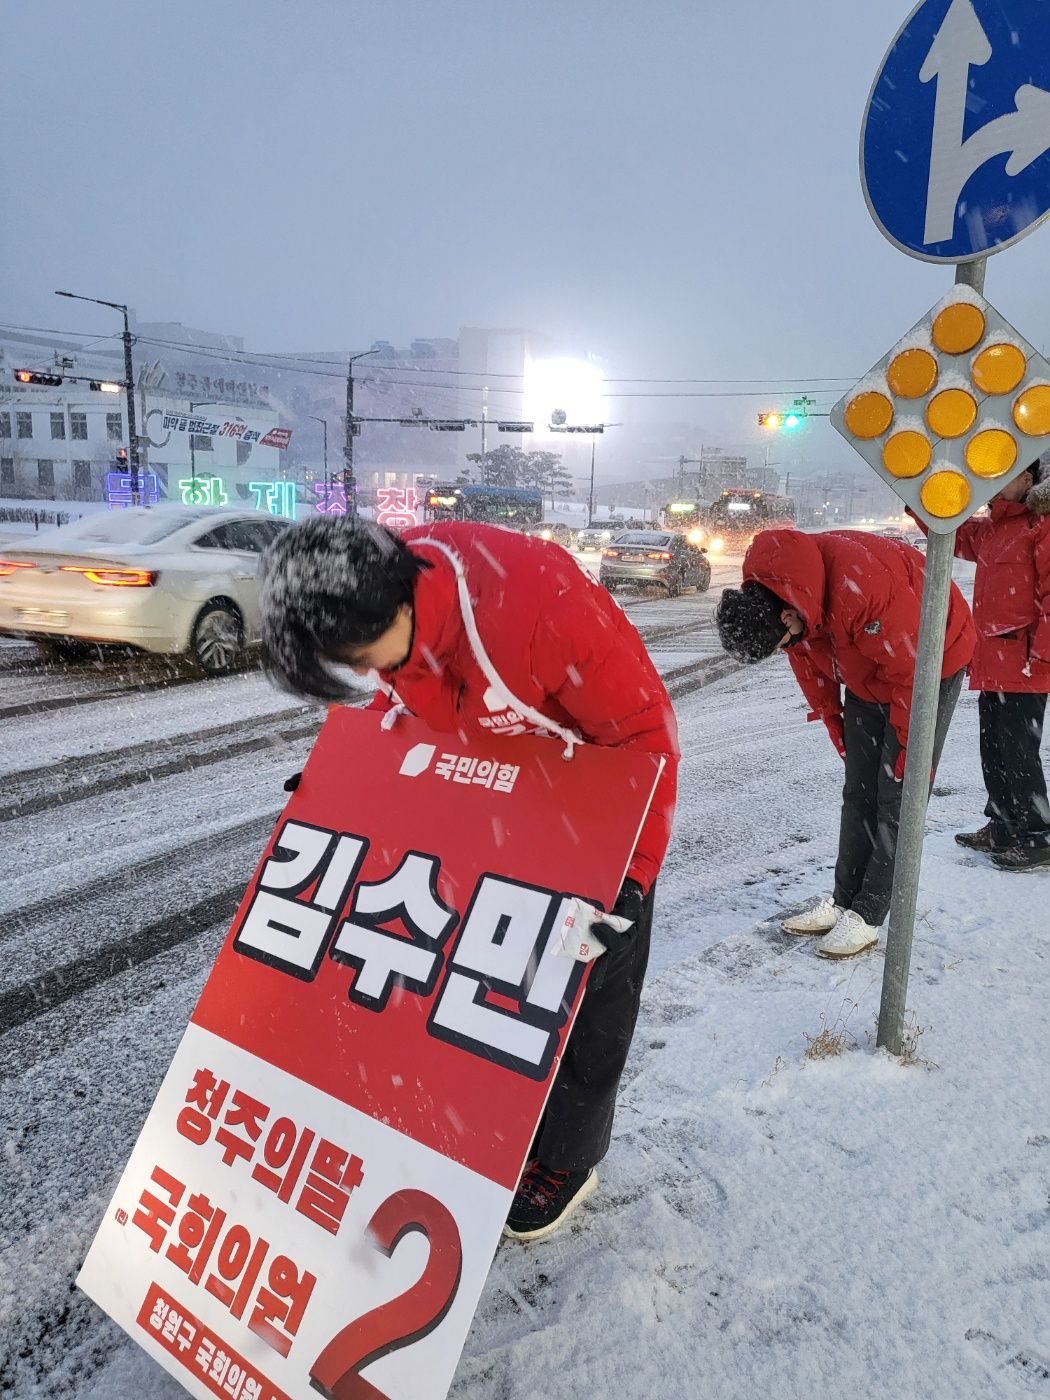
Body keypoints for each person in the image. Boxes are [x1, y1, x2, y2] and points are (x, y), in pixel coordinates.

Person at [260, 514, 679, 1241]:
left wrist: (630, 879)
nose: (361, 671)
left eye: (359, 654)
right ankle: (482, 1117)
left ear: (399, 606)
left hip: (588, 784)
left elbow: (646, 737)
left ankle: (566, 1157)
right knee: (461, 953)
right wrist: (344, 784)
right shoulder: (387, 599)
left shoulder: (541, 613)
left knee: (589, 967)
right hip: (481, 770)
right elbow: (399, 699)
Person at [716, 528, 975, 957]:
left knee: (899, 795)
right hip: (868, 667)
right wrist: (836, 725)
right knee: (858, 790)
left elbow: (911, 674)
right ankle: (844, 900)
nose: (787, 647)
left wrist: (912, 754)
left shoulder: (862, 588)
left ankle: (870, 913)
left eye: (782, 640)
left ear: (786, 617)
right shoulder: (783, 600)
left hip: (930, 661)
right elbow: (807, 663)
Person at [942, 460, 1050, 869]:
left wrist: (1042, 654)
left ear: (1028, 478)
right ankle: (1004, 825)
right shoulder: (992, 530)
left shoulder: (1040, 526)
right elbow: (949, 534)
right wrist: (919, 501)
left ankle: (1038, 836)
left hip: (1025, 662)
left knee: (1020, 752)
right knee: (994, 749)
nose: (994, 483)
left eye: (1003, 474)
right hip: (992, 661)